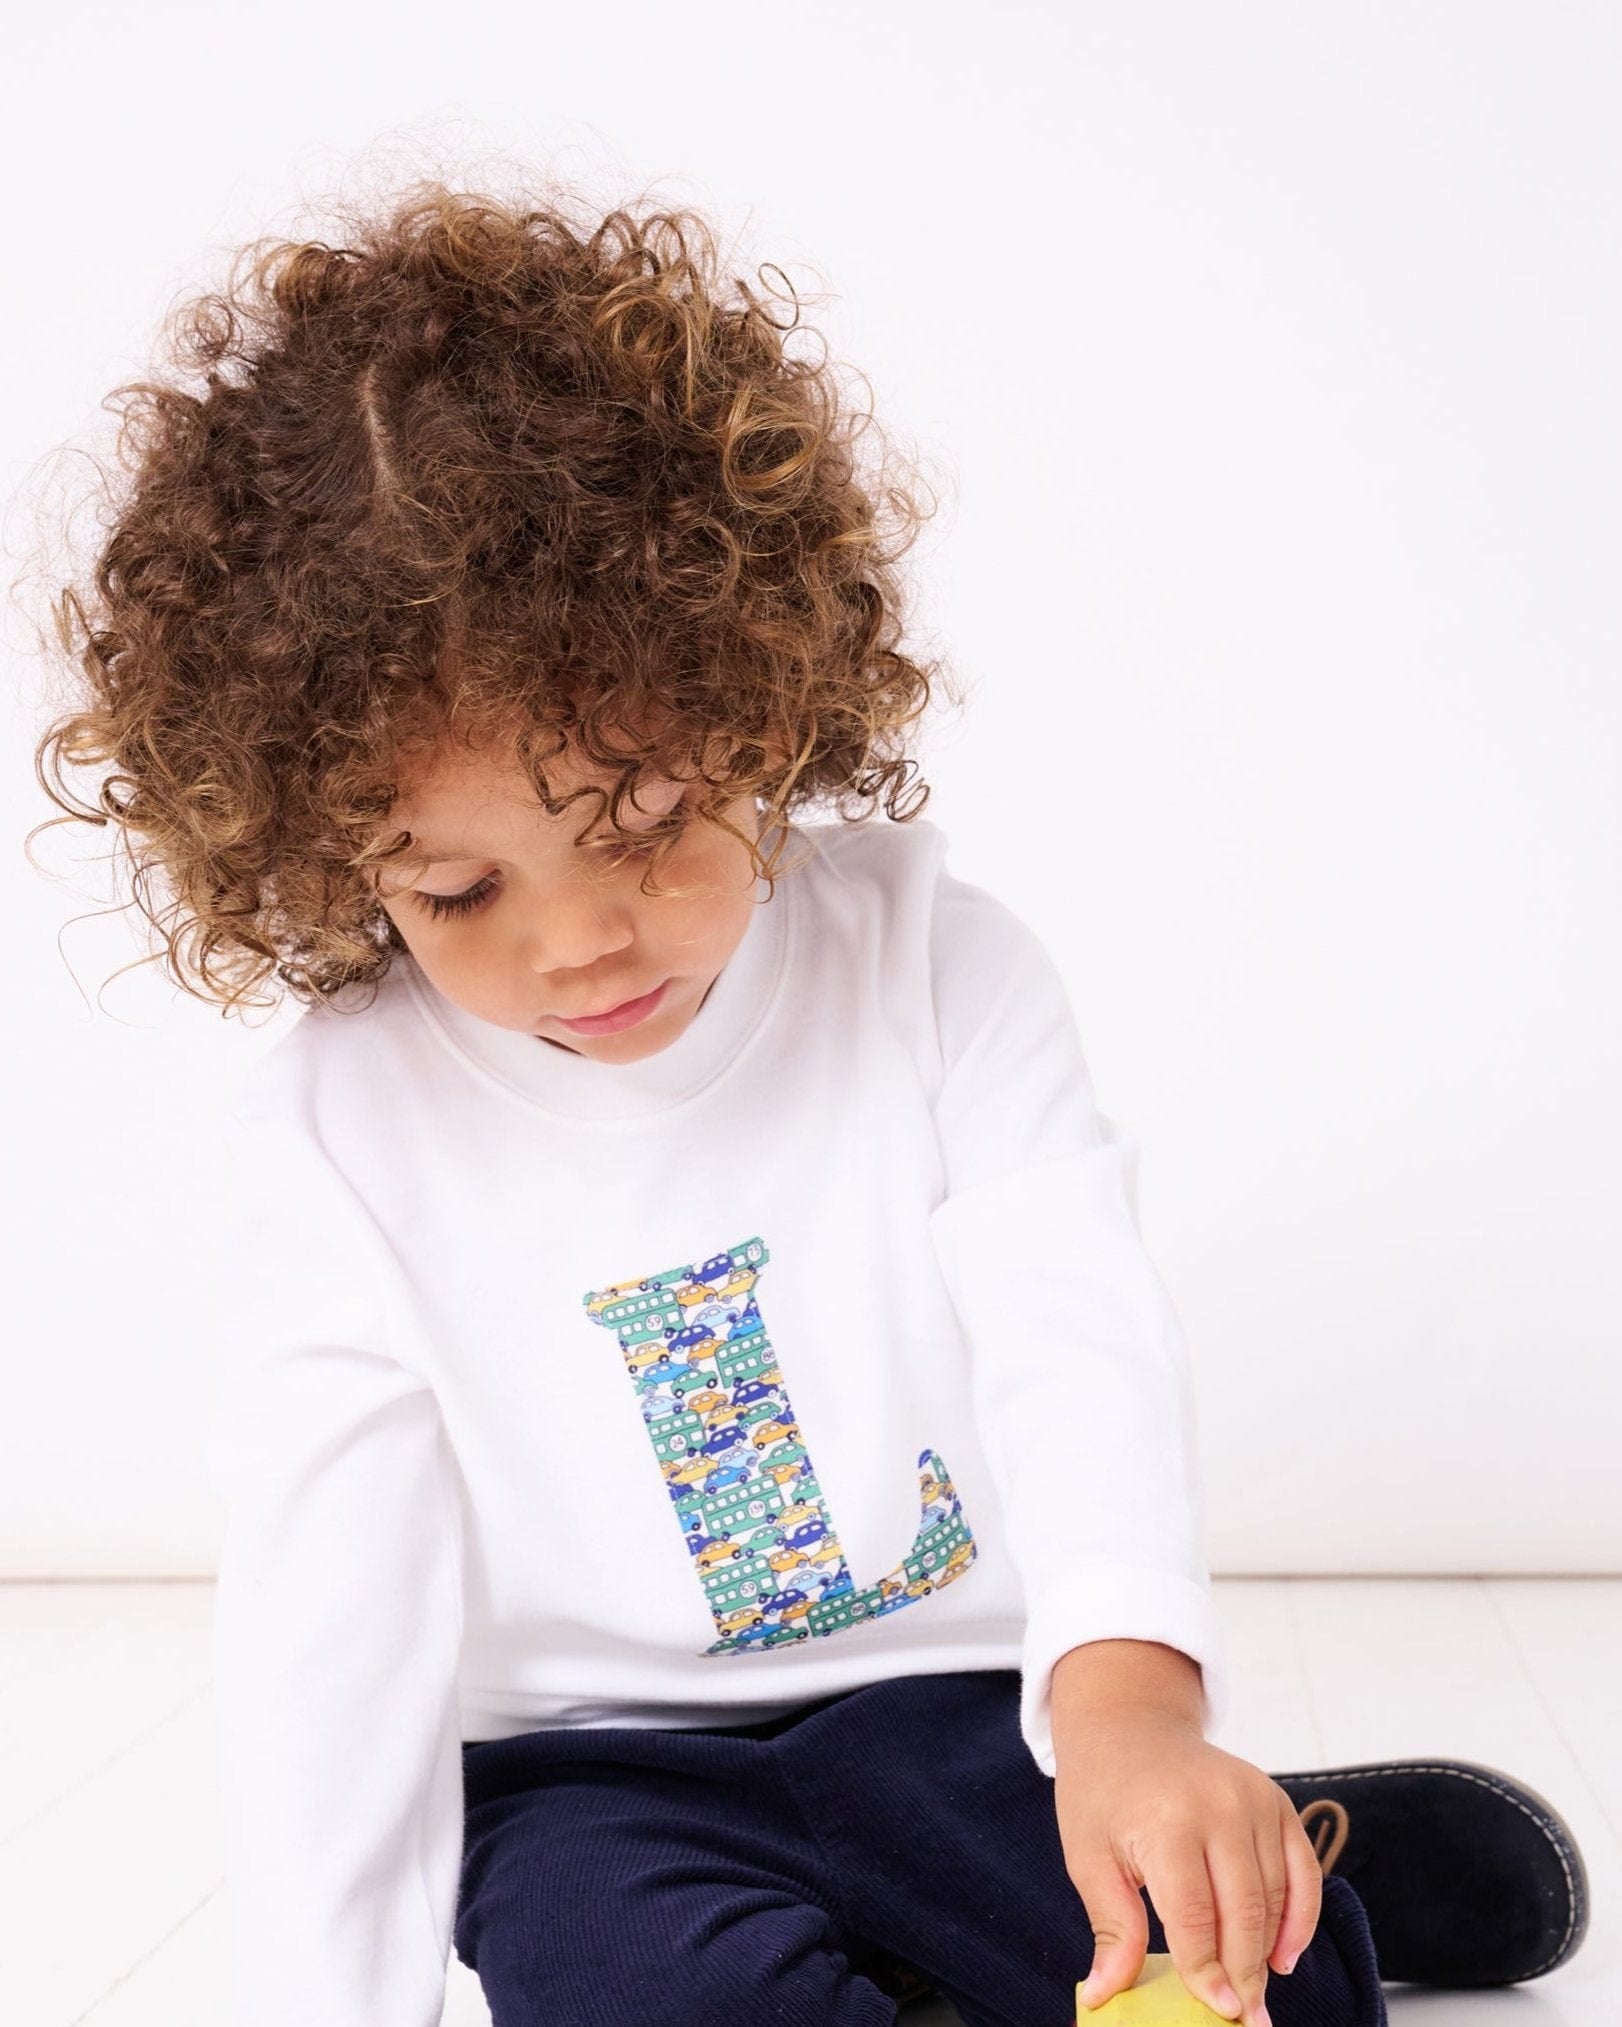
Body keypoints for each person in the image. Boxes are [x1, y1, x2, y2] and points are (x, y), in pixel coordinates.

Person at [29, 174, 1586, 2027]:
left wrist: (1123, 1715)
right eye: (456, 892)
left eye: (648, 821)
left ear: (762, 705)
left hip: (963, 1712)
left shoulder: (937, 970)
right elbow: (328, 1620)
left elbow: (1069, 1348)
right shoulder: (340, 1132)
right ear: (321, 851)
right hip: (593, 1780)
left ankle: (1278, 1859)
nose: (580, 939)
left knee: (1278, 1999)